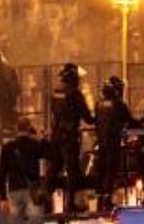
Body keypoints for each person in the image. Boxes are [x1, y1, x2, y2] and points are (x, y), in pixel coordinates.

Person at [0, 118, 49, 224]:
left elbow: (2, 174)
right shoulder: (35, 145)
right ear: (29, 129)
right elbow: (52, 155)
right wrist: (44, 139)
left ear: (16, 129)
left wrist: (2, 198)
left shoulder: (7, 147)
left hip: (13, 192)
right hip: (31, 191)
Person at [49, 63, 95, 212]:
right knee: (72, 170)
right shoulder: (75, 94)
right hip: (69, 138)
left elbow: (53, 112)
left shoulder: (56, 92)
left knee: (55, 166)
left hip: (56, 135)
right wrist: (99, 116)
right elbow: (88, 118)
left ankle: (43, 194)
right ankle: (70, 203)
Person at [93, 76, 133, 209]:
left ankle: (99, 200)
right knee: (111, 171)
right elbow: (130, 121)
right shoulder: (119, 104)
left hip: (100, 142)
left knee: (101, 171)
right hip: (112, 143)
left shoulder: (98, 104)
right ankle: (107, 199)